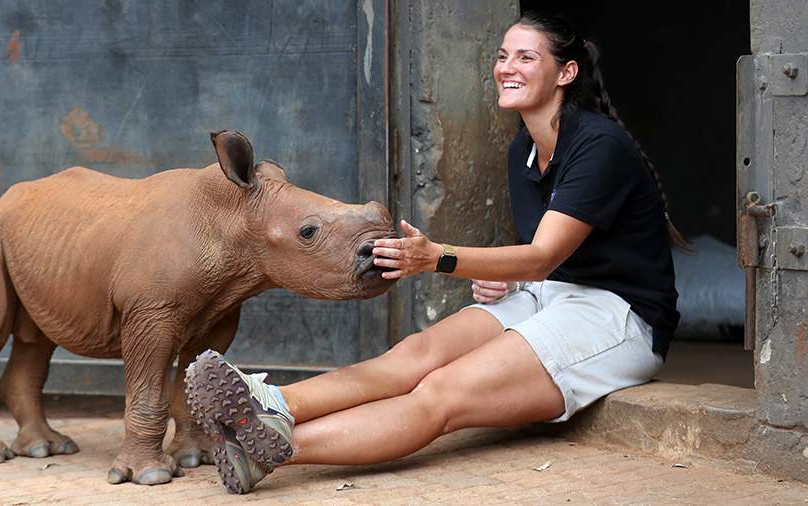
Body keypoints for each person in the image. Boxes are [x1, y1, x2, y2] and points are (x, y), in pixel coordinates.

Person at [184, 12, 684, 494]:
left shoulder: (599, 145)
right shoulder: (524, 151)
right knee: (413, 355)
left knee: (441, 392)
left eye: (527, 57)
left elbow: (541, 254)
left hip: (617, 316)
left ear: (565, 73)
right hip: (548, 293)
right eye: (503, 55)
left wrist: (437, 257)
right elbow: (545, 262)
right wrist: (512, 283)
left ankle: (270, 447)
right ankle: (267, 402)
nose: (508, 67)